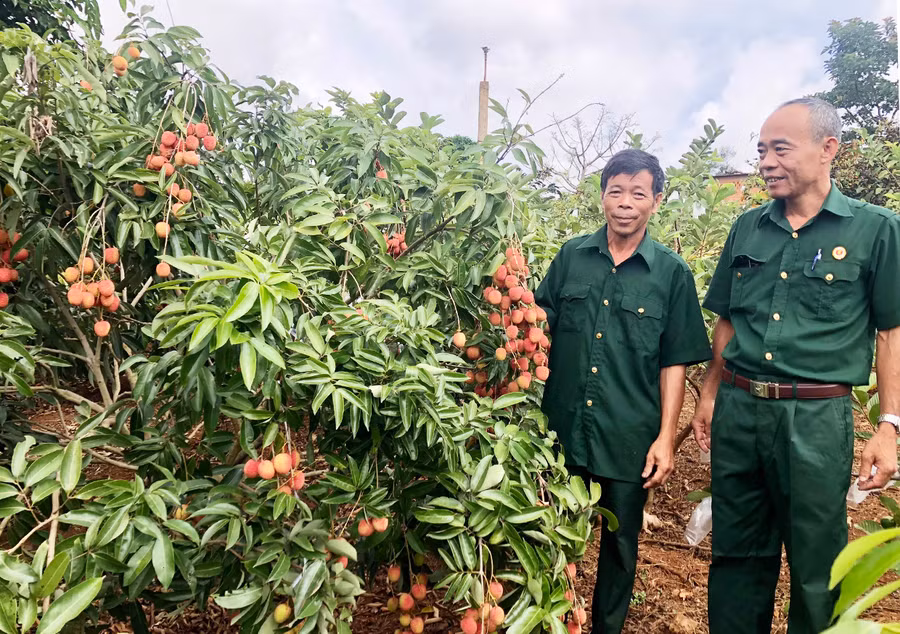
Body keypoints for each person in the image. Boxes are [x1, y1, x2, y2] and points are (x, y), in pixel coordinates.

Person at [691, 97, 900, 634]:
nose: (765, 162)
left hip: (814, 418)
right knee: (736, 556)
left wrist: (889, 426)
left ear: (828, 148)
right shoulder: (747, 228)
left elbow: (891, 333)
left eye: (780, 149)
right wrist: (710, 393)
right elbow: (729, 321)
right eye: (761, 150)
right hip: (739, 410)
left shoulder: (875, 230)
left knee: (818, 564)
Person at [536, 149, 711, 633]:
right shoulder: (572, 257)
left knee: (620, 545)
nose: (625, 203)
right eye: (616, 191)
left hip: (628, 434)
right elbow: (537, 324)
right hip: (560, 430)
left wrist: (663, 437)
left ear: (656, 200)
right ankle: (547, 617)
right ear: (602, 197)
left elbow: (674, 361)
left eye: (638, 193)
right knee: (548, 534)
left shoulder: (671, 273)